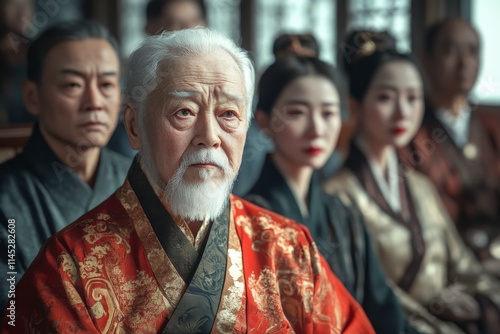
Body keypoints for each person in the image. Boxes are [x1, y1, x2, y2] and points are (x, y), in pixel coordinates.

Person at [2, 27, 374, 333]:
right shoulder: (68, 269)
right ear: (133, 125)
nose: (209, 136)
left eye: (229, 114)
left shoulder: (289, 247)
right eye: (184, 111)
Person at [324, 30, 500, 334]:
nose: (402, 111)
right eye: (385, 97)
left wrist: (477, 302)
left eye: (413, 97)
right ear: (355, 105)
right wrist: (435, 315)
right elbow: (367, 294)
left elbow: (464, 266)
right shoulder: (336, 195)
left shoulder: (420, 187)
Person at [244, 55, 417, 333]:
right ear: (264, 120)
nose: (316, 130)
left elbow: (383, 309)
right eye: (297, 113)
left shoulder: (344, 214)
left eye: (328, 113)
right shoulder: (250, 220)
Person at [0, 20, 130, 308]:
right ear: (33, 97)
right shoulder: (6, 199)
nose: (94, 101)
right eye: (73, 85)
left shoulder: (139, 179)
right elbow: (10, 316)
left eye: (106, 84)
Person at [399, 17, 500, 275]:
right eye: (450, 50)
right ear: (426, 60)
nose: (464, 62)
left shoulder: (491, 127)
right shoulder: (409, 132)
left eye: (473, 51)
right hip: (444, 265)